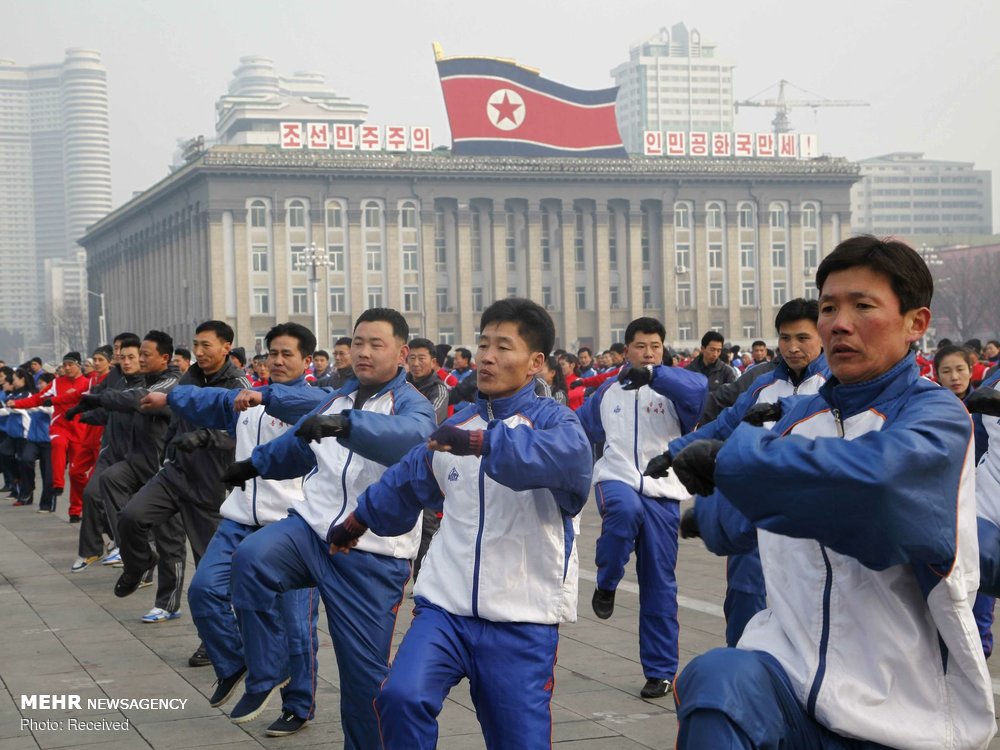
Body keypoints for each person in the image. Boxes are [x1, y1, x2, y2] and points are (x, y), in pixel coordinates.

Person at [669, 236, 995, 749]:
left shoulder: (935, 415)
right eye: (828, 308)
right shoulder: (800, 417)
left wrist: (735, 460)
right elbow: (753, 512)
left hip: (897, 711)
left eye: (863, 306)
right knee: (718, 680)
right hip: (789, 683)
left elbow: (876, 491)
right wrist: (702, 514)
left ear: (917, 323)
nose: (839, 323)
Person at [329, 298, 592, 750]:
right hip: (444, 611)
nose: (487, 356)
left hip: (521, 620)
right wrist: (354, 523)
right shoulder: (458, 424)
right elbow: (406, 480)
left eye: (503, 347)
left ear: (535, 362)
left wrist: (480, 443)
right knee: (400, 697)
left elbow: (564, 460)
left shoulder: (556, 424)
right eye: (484, 344)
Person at [218, 308, 435, 746]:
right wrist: (251, 466)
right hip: (310, 532)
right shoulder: (336, 397)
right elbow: (298, 443)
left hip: (371, 555)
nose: (364, 352)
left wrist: (346, 425)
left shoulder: (412, 403)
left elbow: (412, 438)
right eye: (358, 343)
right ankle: (268, 669)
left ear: (402, 352)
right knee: (252, 559)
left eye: (377, 344)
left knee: (364, 681)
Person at [650, 299, 827, 647]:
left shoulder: (835, 384)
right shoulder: (761, 386)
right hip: (758, 514)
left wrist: (783, 408)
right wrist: (671, 453)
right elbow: (722, 425)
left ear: (821, 336)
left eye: (803, 338)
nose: (792, 347)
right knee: (744, 598)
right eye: (785, 337)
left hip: (815, 516)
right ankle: (742, 669)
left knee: (816, 611)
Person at [183, 323, 322, 738]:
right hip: (240, 521)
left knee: (296, 627)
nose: (278, 362)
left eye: (288, 355)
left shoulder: (317, 404)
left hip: (291, 529)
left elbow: (318, 408)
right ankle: (235, 662)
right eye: (272, 354)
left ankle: (298, 705)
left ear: (307, 361)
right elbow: (207, 403)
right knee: (204, 591)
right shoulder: (250, 401)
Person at [577, 317, 708, 698]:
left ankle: (660, 670)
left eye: (655, 346)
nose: (648, 352)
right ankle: (606, 582)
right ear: (626, 350)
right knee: (624, 513)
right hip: (616, 478)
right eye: (640, 346)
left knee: (659, 582)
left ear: (663, 349)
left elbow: (699, 390)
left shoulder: (678, 388)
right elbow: (582, 430)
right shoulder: (607, 392)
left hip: (662, 489)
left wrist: (654, 377)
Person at [116, 321, 250, 666]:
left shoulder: (238, 385)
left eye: (207, 345)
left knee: (208, 571)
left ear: (226, 347)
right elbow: (174, 412)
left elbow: (245, 435)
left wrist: (209, 438)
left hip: (211, 482)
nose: (200, 352)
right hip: (175, 472)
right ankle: (138, 564)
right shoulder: (188, 377)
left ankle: (215, 641)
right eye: (196, 345)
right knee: (131, 516)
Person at [75, 331, 188, 620]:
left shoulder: (171, 382)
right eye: (133, 356)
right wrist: (91, 408)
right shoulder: (141, 379)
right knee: (107, 483)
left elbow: (140, 399)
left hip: (165, 469)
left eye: (143, 355)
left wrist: (98, 399)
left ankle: (167, 603)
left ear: (164, 357)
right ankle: (137, 558)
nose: (137, 360)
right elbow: (123, 402)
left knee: (169, 538)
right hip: (135, 462)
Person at [68, 334, 145, 570]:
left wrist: (100, 400)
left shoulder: (147, 383)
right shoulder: (115, 379)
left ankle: (128, 549)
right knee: (91, 494)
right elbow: (107, 410)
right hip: (111, 449)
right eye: (120, 356)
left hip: (136, 454)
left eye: (130, 356)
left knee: (130, 507)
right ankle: (91, 550)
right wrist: (84, 415)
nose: (125, 361)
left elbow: (119, 401)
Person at [8, 352, 89, 520]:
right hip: (60, 426)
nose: (66, 368)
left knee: (76, 474)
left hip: (80, 431)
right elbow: (38, 398)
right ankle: (57, 484)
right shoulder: (56, 383)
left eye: (70, 365)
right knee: (58, 444)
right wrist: (17, 404)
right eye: (64, 365)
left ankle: (75, 510)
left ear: (78, 365)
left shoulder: (88, 384)